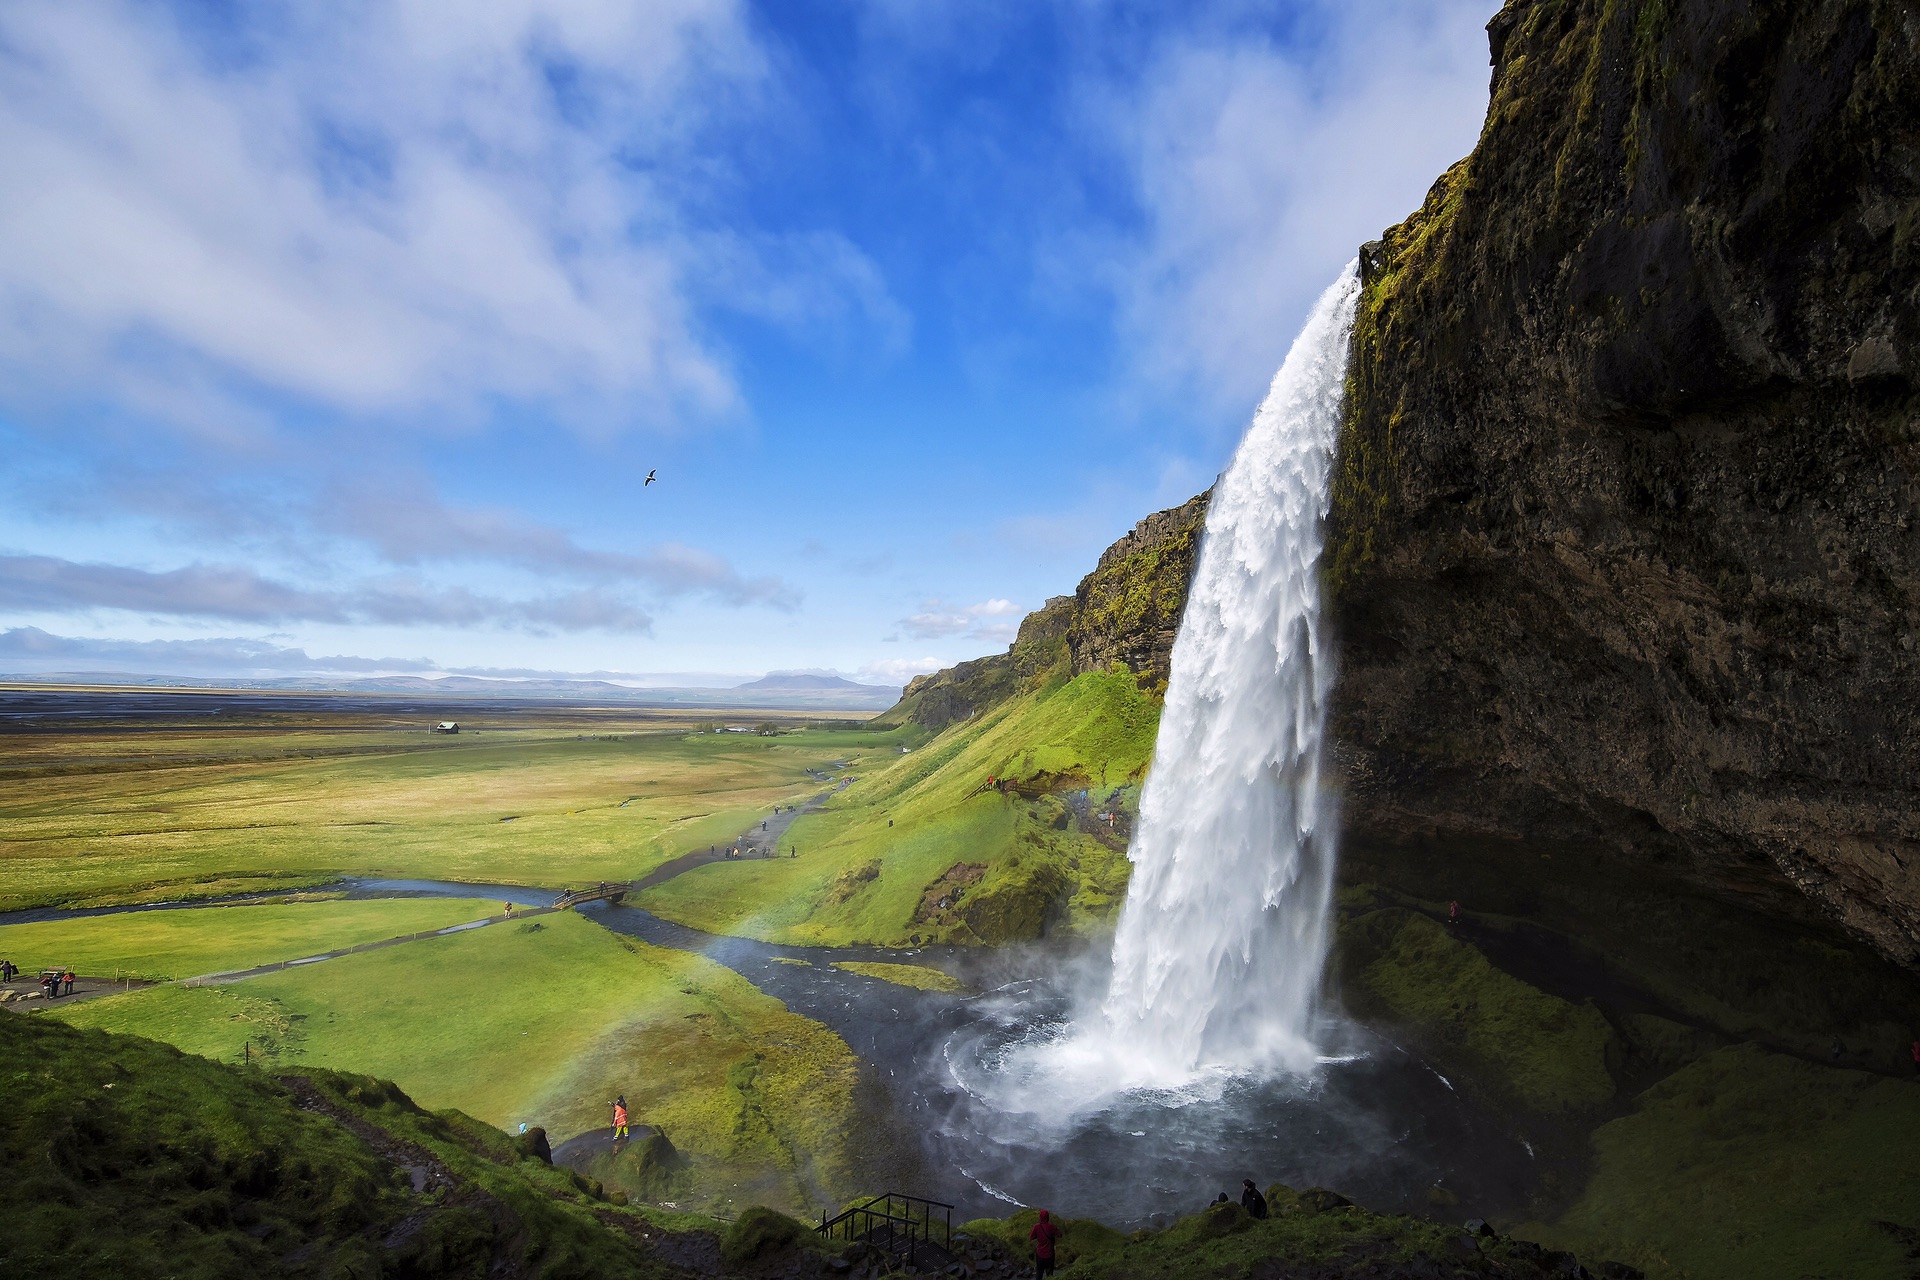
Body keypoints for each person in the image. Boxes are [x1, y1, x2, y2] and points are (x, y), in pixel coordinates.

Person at [1028, 1209, 1062, 1278]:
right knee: (1049, 1274)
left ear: (1040, 1217)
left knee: (1039, 1273)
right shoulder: (1051, 1227)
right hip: (1050, 1255)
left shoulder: (1037, 1227)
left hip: (1040, 1254)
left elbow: (1031, 1237)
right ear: (1048, 1217)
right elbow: (1060, 1235)